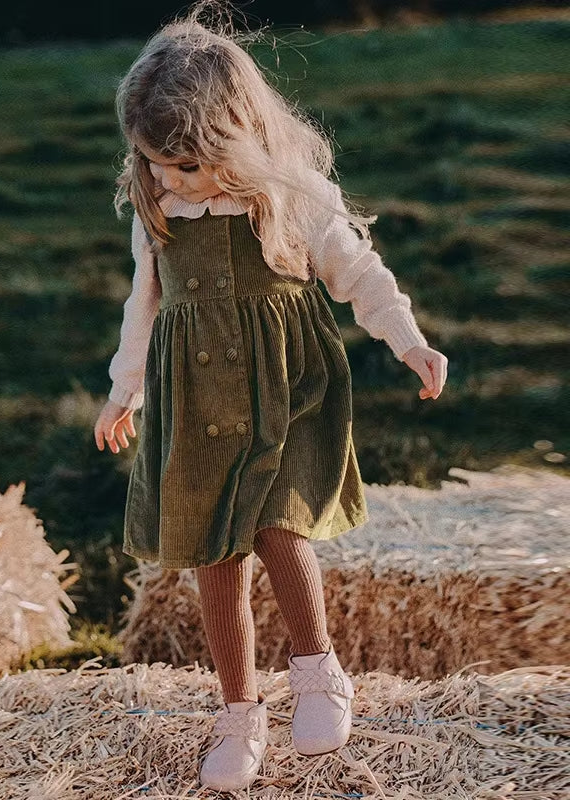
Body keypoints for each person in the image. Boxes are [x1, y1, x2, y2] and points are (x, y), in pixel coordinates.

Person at [93, 3, 448, 791]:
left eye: (187, 165)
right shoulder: (157, 211)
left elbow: (359, 272)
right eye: (156, 162)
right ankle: (239, 711)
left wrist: (409, 339)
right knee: (214, 552)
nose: (171, 179)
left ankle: (319, 673)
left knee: (280, 527)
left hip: (288, 388)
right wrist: (124, 394)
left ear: (236, 138)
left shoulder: (296, 196)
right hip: (194, 398)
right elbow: (142, 305)